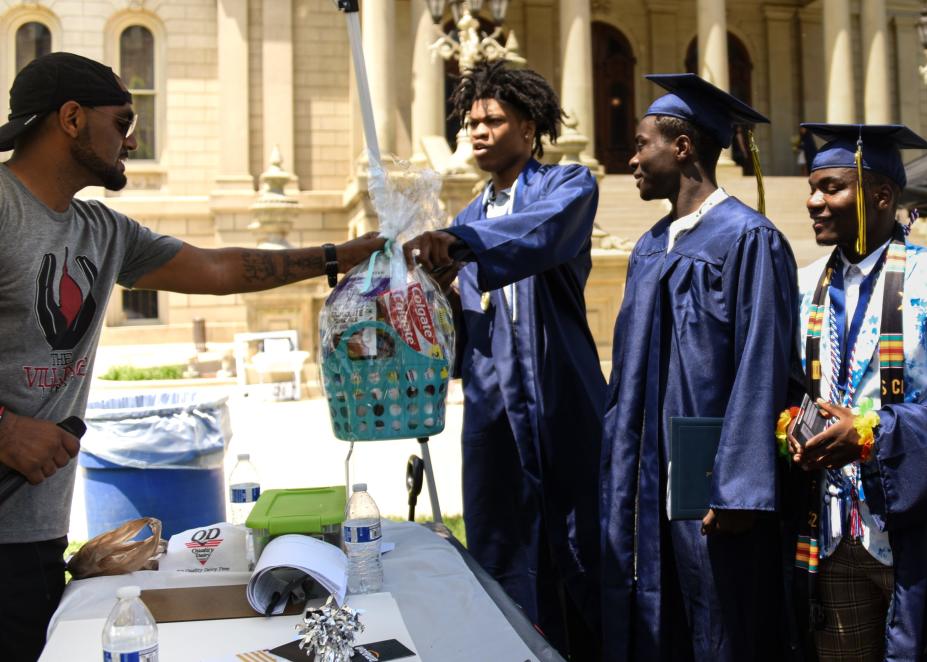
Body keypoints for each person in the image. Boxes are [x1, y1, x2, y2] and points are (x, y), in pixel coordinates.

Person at [0, 52, 383, 662]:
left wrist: (340, 256)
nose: (134, 137)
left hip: (33, 536)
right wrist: (7, 429)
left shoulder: (103, 231)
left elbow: (216, 267)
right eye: (122, 120)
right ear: (70, 118)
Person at [403, 60, 604, 657]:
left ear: (529, 124)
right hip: (494, 407)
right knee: (504, 549)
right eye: (471, 123)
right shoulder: (464, 218)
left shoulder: (569, 187)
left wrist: (462, 248)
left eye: (493, 119)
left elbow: (541, 236)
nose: (479, 132)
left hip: (561, 392)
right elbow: (456, 327)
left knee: (581, 546)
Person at [599, 73, 799, 661]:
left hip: (712, 489)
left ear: (683, 147)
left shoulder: (748, 239)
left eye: (641, 144)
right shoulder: (649, 247)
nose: (631, 158)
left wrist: (738, 488)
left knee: (719, 623)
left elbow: (762, 365)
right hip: (648, 478)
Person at [784, 123, 927, 660]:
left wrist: (871, 433)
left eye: (831, 187)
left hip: (917, 528)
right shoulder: (801, 284)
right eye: (812, 187)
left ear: (880, 195)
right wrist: (792, 424)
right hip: (832, 533)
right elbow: (792, 385)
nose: (813, 201)